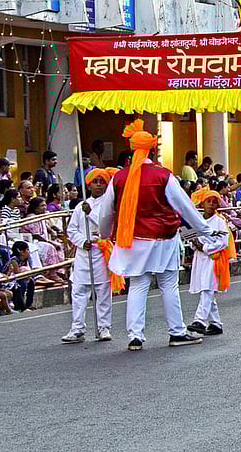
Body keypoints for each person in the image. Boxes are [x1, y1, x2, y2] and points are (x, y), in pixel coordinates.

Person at [93, 119, 210, 351]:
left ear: (132, 150)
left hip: (132, 240)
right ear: (153, 150)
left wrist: (104, 233)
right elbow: (184, 206)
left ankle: (135, 336)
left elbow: (107, 211)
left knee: (138, 285)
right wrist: (204, 228)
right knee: (168, 284)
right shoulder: (163, 175)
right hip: (162, 238)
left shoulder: (119, 177)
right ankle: (176, 332)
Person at [61, 168, 118, 344]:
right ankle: (77, 328)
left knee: (103, 291)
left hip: (101, 252)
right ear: (88, 185)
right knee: (79, 292)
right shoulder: (81, 206)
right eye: (95, 182)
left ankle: (104, 327)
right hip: (84, 254)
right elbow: (72, 230)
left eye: (102, 182)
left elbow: (105, 227)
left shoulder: (109, 204)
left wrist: (90, 213)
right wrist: (81, 241)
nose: (98, 185)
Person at [186, 187, 233, 337]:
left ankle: (199, 320)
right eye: (209, 201)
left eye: (214, 202)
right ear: (202, 204)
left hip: (214, 260)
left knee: (208, 290)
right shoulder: (198, 221)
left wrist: (205, 247)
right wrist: (195, 244)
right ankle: (215, 324)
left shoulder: (219, 222)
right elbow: (191, 239)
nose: (211, 204)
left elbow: (223, 242)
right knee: (207, 290)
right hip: (200, 259)